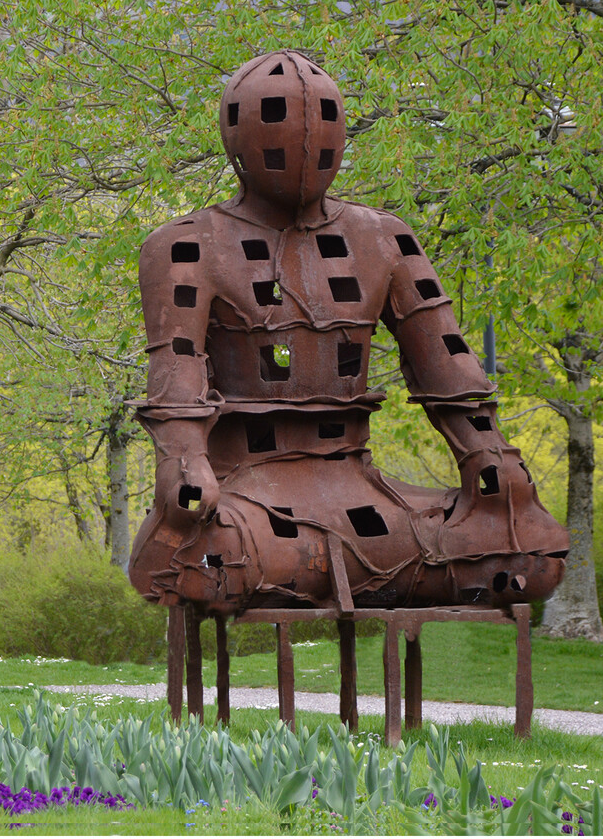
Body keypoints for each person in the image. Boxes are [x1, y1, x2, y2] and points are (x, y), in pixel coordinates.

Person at [129, 51, 568, 614]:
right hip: (248, 494)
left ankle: (334, 564)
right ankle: (288, 560)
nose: (304, 145)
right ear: (238, 137)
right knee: (203, 562)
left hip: (365, 491)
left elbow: (447, 364)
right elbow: (177, 372)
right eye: (280, 124)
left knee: (531, 555)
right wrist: (184, 468)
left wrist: (493, 462)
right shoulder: (186, 245)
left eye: (321, 123)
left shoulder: (382, 236)